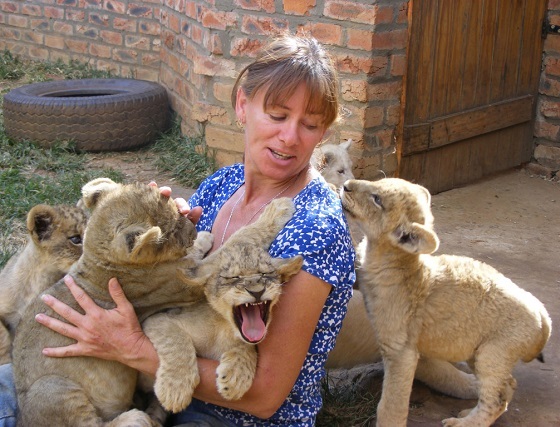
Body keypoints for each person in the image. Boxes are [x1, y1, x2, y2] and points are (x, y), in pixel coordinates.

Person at [0, 32, 355, 426]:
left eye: (309, 124)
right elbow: (174, 283)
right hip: (155, 380)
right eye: (277, 115)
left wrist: (131, 349)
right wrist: (155, 237)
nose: (289, 137)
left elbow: (266, 395)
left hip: (229, 414)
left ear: (323, 133)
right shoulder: (224, 184)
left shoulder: (315, 228)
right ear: (242, 105)